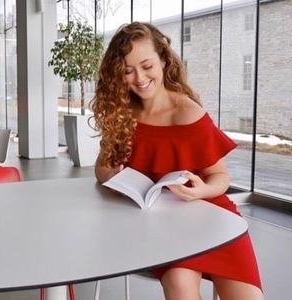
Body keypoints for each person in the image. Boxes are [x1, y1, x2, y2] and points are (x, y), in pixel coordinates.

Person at [91, 22, 263, 300]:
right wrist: (110, 174)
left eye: (147, 66)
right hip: (164, 226)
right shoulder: (122, 113)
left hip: (213, 218)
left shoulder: (187, 112)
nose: (139, 77)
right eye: (127, 70)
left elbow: (221, 177)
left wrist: (201, 190)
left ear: (163, 61)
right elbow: (100, 169)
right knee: (180, 283)